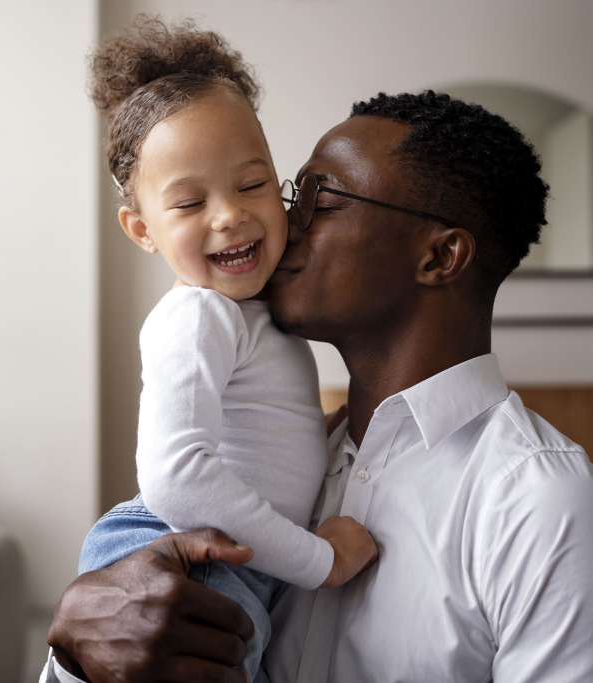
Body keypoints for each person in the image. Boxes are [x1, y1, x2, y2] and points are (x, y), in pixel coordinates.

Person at [44, 89, 593, 683]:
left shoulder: (551, 513)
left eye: (320, 201)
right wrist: (78, 659)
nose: (277, 222)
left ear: (439, 256)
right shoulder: (282, 467)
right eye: (292, 194)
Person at [60, 17, 378, 682]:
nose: (228, 214)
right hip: (183, 550)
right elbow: (177, 475)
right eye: (189, 201)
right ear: (142, 229)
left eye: (251, 183)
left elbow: (251, 438)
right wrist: (321, 558)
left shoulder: (254, 316)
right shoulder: (199, 313)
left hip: (242, 563)